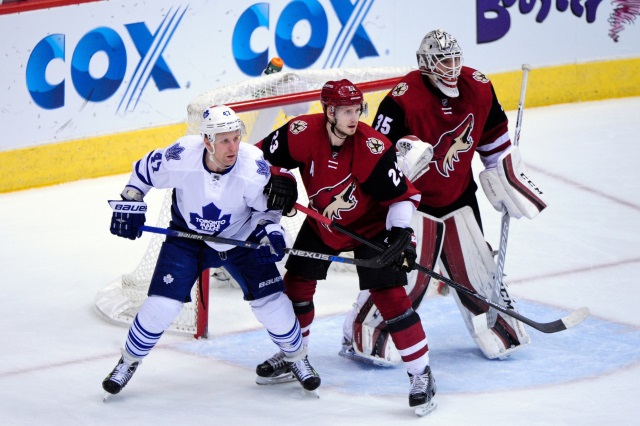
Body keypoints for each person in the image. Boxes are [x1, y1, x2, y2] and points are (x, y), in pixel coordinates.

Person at [342, 29, 548, 363]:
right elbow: (374, 154)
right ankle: (365, 327)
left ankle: (498, 324)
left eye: (455, 59)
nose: (451, 67)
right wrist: (402, 161)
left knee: (478, 274)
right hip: (412, 204)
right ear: (425, 64)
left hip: (458, 197)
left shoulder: (478, 86)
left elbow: (494, 143)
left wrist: (505, 175)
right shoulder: (401, 98)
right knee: (406, 279)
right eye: (442, 61)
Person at [102, 105, 320, 399]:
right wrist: (131, 198)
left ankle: (297, 357)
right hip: (188, 238)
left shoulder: (253, 167)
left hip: (241, 239)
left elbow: (267, 210)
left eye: (236, 137)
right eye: (224, 140)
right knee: (161, 306)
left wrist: (272, 232)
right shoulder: (181, 156)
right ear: (207, 141)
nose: (233, 147)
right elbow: (143, 171)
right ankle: (127, 362)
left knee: (272, 304)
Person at [257, 79, 437, 416]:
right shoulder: (300, 131)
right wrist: (281, 177)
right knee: (295, 285)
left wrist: (401, 235)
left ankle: (421, 374)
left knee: (391, 299)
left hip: (371, 228)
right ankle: (295, 355)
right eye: (346, 111)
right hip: (323, 224)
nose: (354, 118)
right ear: (328, 112)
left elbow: (403, 197)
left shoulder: (372, 147)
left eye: (357, 110)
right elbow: (256, 158)